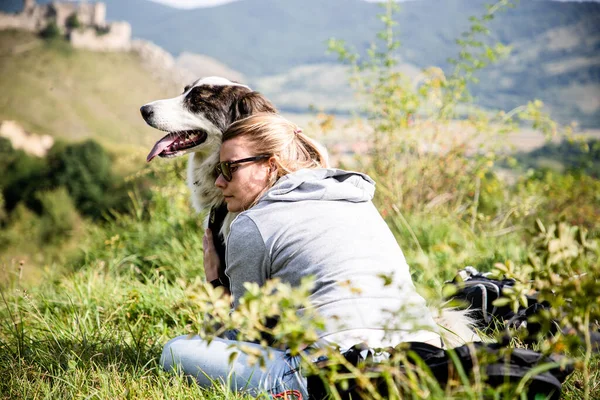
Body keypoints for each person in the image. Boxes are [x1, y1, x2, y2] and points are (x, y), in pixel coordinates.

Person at [160, 113, 442, 399]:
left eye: (229, 167)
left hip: (330, 371)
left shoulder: (252, 224)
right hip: (425, 351)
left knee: (175, 351)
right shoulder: (355, 199)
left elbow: (243, 338)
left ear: (270, 164)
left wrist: (214, 282)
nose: (219, 181)